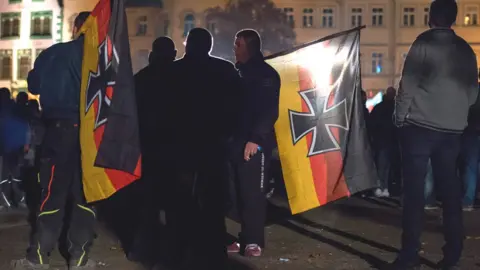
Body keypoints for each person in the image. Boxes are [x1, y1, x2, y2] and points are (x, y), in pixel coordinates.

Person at [392, 0, 479, 269]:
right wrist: (458, 113)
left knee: (415, 193)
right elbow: (473, 92)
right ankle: (453, 252)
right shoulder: (466, 50)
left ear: (431, 17)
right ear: (454, 18)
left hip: (419, 126)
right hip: (451, 130)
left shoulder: (423, 43)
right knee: (450, 192)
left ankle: (409, 254)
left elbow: (408, 84)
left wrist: (399, 116)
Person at [12, 12, 97, 270]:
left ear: (74, 27)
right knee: (85, 196)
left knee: (52, 194)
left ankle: (38, 257)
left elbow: (34, 86)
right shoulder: (100, 57)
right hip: (90, 135)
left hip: (57, 132)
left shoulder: (52, 53)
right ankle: (79, 259)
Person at [164, 28, 240, 269]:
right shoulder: (225, 70)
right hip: (213, 144)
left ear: (187, 45)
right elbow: (237, 104)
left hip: (181, 143)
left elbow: (163, 107)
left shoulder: (173, 71)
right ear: (209, 46)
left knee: (180, 199)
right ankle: (213, 248)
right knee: (213, 201)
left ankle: (178, 248)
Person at [227, 29, 280, 257]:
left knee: (253, 194)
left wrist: (255, 139)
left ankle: (253, 240)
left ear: (249, 46)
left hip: (254, 144)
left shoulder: (265, 74)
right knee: (235, 192)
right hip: (233, 141)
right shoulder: (236, 73)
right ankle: (244, 236)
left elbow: (269, 111)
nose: (234, 48)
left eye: (237, 44)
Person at [127, 36, 177, 262]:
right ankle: (174, 249)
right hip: (175, 148)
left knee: (146, 202)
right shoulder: (181, 79)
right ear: (173, 55)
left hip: (146, 148)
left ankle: (142, 248)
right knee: (177, 203)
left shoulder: (140, 80)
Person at [0, 92, 30, 210]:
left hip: (6, 146)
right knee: (17, 174)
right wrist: (27, 142)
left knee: (4, 175)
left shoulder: (5, 110)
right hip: (18, 145)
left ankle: (5, 201)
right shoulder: (19, 109)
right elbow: (26, 126)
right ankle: (19, 199)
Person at [370, 87, 396, 197]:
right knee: (386, 166)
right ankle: (383, 187)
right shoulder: (394, 108)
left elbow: (372, 123)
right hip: (390, 140)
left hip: (381, 140)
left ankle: (380, 187)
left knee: (381, 165)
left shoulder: (379, 107)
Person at [461, 76, 480, 211]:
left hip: (472, 132)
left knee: (471, 168)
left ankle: (468, 200)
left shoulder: (470, 93)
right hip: (472, 132)